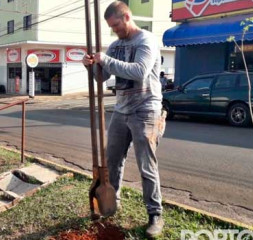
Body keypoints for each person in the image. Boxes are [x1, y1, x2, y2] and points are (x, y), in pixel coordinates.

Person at [82, 2, 166, 238]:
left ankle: (155, 214)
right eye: (111, 27)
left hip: (146, 109)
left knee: (146, 165)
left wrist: (105, 60)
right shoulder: (115, 45)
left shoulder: (146, 41)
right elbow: (102, 77)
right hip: (122, 110)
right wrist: (92, 66)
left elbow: (139, 71)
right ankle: (111, 203)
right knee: (112, 160)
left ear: (127, 17)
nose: (115, 30)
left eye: (117, 25)